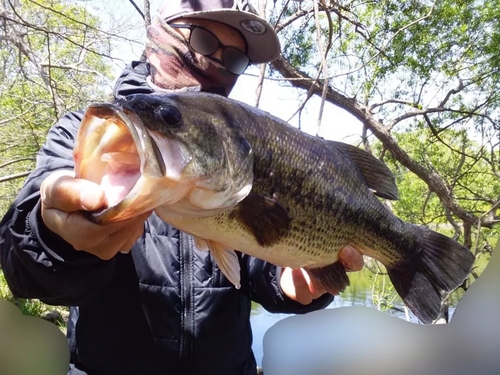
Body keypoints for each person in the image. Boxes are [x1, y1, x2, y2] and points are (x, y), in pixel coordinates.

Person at [0, 1, 364, 374]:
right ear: (163, 35)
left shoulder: (241, 152)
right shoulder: (88, 132)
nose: (218, 65)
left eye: (236, 59)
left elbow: (255, 265)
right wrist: (53, 235)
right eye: (204, 40)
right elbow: (24, 270)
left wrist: (290, 282)